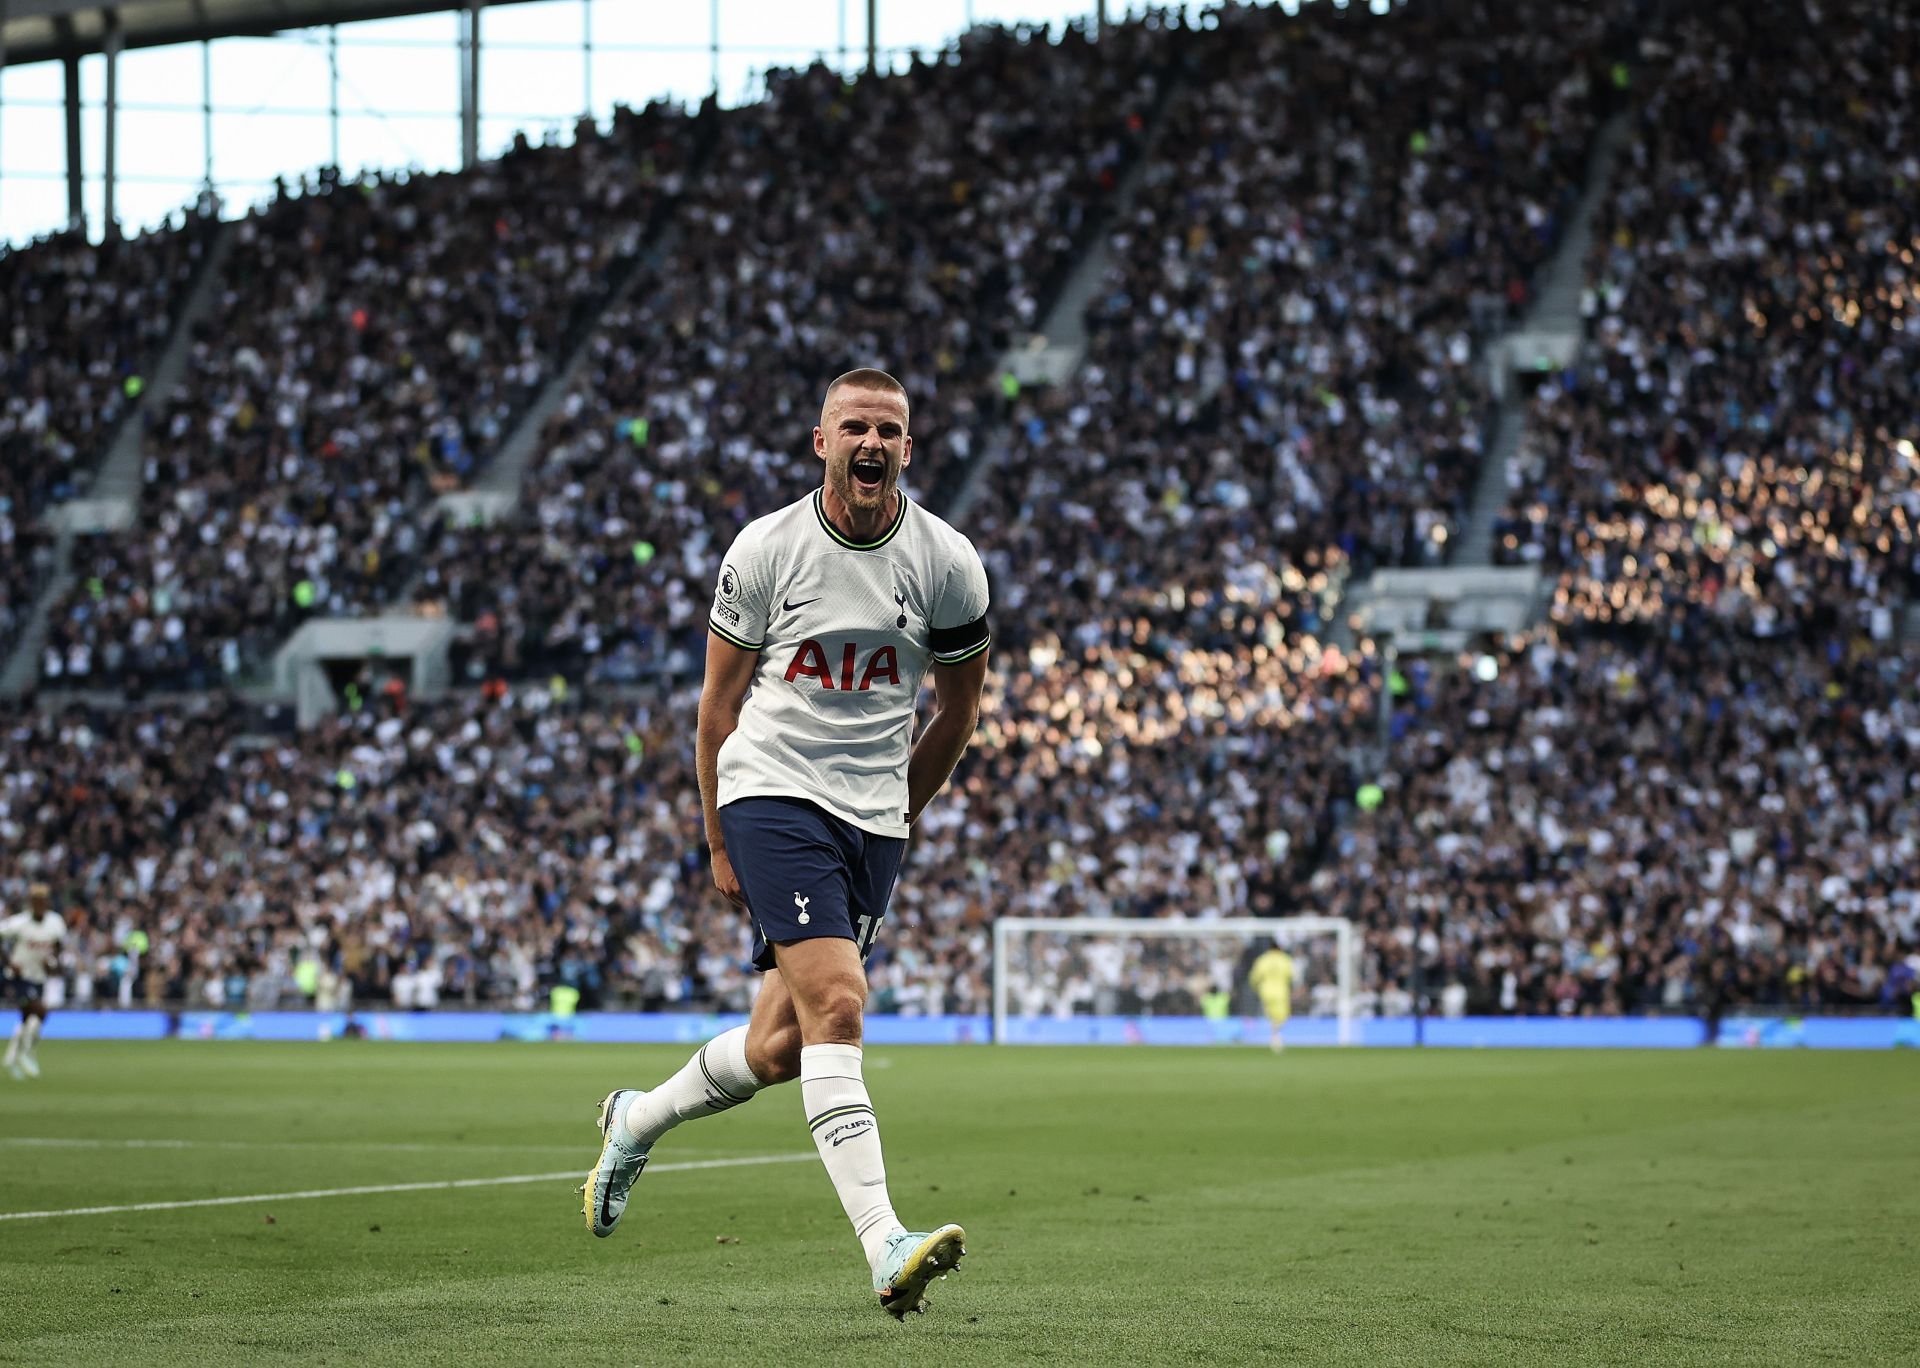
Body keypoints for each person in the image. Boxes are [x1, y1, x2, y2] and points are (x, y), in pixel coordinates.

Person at [580, 368, 992, 1319]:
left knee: (779, 1049)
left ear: (908, 450)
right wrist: (719, 836)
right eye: (855, 427)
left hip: (869, 819)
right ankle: (887, 1244)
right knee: (841, 1006)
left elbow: (960, 711)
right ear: (822, 443)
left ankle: (634, 1121)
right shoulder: (767, 549)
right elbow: (718, 706)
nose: (872, 443)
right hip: (771, 794)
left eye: (889, 429)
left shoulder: (948, 564)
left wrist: (899, 813)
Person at [2, 885, 68, 1080]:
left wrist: (52, 961)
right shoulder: (19, 923)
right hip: (20, 976)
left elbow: (58, 945)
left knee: (27, 1019)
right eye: (35, 901)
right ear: (31, 903)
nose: (39, 905)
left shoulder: (55, 922)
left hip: (39, 976)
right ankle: (27, 1053)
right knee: (40, 1010)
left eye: (43, 901)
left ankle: (12, 1058)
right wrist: (8, 962)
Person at [1249, 938, 1295, 1053]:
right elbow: (1291, 976)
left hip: (1266, 991)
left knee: (1271, 1016)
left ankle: (1274, 1036)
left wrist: (1255, 987)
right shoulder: (1285, 959)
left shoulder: (1263, 959)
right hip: (1281, 991)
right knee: (1282, 1016)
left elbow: (1254, 977)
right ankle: (1276, 1037)